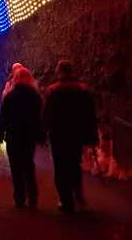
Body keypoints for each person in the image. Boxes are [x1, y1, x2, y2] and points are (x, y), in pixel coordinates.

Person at [44, 60, 98, 213]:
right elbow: (90, 116)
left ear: (59, 71)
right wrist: (92, 136)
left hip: (58, 135)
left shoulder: (52, 90)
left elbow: (47, 115)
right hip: (76, 134)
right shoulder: (83, 90)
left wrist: (42, 133)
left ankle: (66, 200)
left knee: (60, 167)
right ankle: (78, 192)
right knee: (74, 163)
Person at [0, 67, 44, 208]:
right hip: (29, 135)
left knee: (15, 167)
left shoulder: (10, 96)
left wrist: (1, 133)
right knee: (29, 164)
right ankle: (33, 197)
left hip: (13, 135)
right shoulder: (36, 96)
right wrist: (40, 135)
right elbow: (39, 118)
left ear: (15, 79)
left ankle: (19, 197)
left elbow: (3, 117)